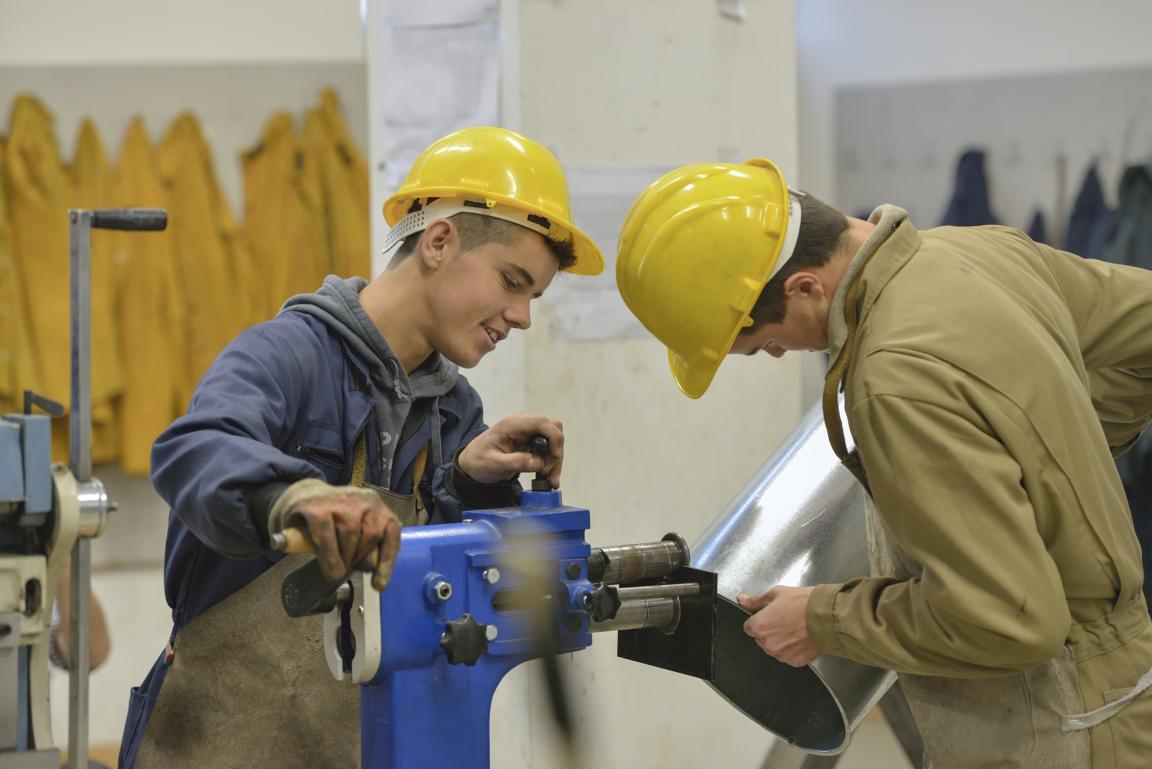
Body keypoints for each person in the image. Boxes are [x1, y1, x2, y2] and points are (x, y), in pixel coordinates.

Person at [614, 158, 1152, 768]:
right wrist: (1052, 454)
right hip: (1118, 696)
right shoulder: (981, 253)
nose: (776, 354)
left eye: (763, 340)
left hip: (1053, 726)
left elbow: (1012, 620)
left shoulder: (893, 380)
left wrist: (822, 619)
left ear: (805, 288)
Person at [119, 127, 603, 769]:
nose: (522, 316)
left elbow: (434, 591)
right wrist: (295, 499)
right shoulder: (289, 357)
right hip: (217, 739)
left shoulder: (454, 414)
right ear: (438, 242)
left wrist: (468, 484)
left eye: (533, 297)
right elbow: (197, 450)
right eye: (512, 282)